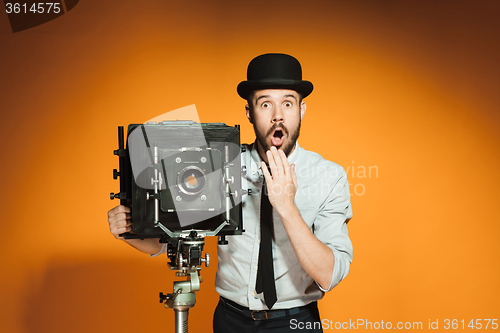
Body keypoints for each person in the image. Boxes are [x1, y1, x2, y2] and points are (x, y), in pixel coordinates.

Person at [107, 53, 353, 332]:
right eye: (265, 104)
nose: (278, 115)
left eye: (287, 103)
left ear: (302, 110)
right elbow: (166, 240)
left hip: (295, 321)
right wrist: (129, 230)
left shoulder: (329, 176)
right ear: (249, 112)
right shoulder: (219, 163)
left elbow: (329, 273)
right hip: (230, 320)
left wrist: (286, 206)